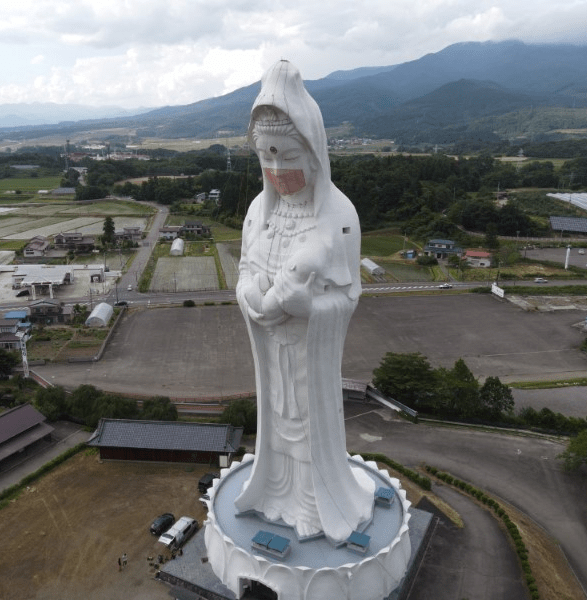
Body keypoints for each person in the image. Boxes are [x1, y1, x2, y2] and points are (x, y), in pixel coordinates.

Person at [234, 60, 374, 544]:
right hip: (272, 350)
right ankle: (273, 494)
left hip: (308, 352)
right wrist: (253, 297)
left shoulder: (337, 216)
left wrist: (309, 308)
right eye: (265, 155)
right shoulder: (258, 211)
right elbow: (245, 269)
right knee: (275, 426)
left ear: (314, 153)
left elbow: (348, 294)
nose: (276, 169)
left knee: (309, 428)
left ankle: (316, 504)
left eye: (286, 154)